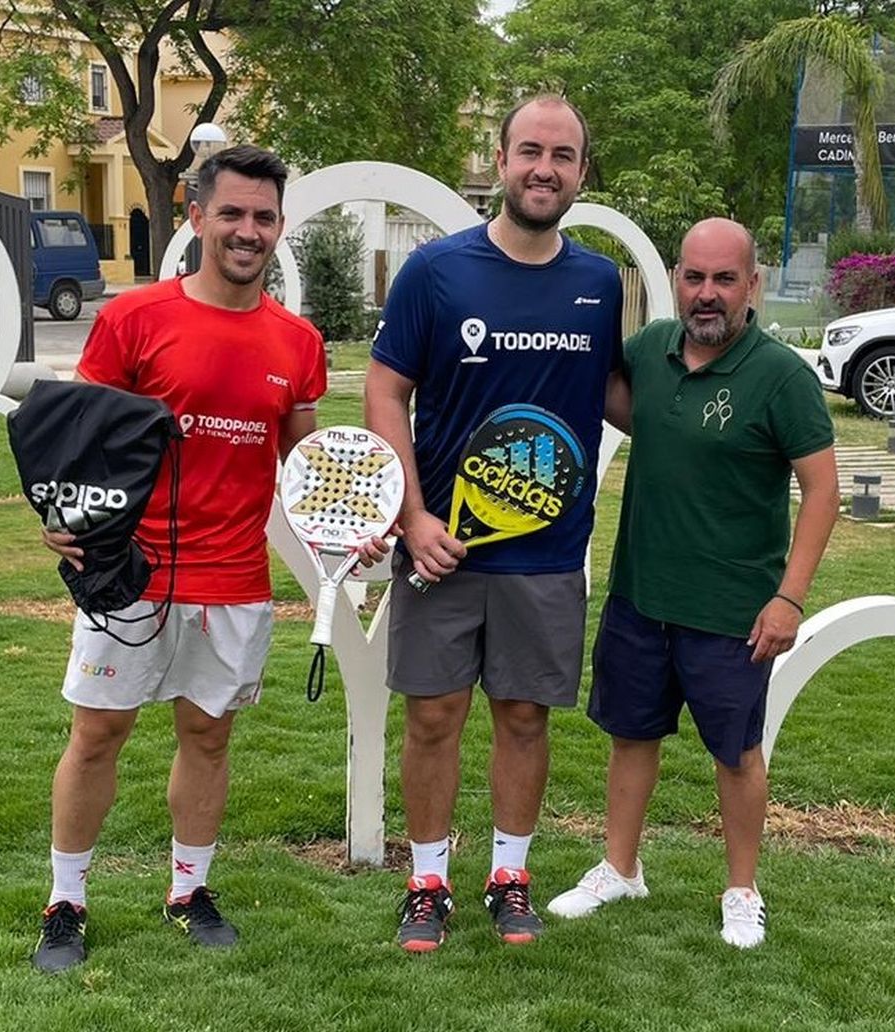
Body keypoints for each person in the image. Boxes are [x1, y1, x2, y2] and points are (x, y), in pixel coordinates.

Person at [31, 145, 327, 973]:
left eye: (264, 217)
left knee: (208, 736)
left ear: (279, 229)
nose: (248, 230)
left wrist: (349, 525)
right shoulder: (135, 319)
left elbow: (305, 472)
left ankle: (188, 890)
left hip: (234, 580)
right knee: (98, 735)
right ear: (196, 216)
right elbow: (80, 435)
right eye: (231, 213)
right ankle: (66, 903)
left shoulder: (298, 343)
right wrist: (63, 515)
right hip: (132, 575)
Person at [365, 94, 623, 952]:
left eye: (563, 155)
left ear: (582, 172)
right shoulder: (437, 272)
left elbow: (620, 396)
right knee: (432, 717)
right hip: (442, 549)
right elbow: (385, 390)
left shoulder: (595, 282)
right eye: (529, 151)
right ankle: (427, 882)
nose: (544, 168)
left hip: (548, 557)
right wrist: (411, 516)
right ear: (503, 159)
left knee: (523, 718)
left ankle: (510, 877)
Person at [546, 218, 840, 949]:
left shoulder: (782, 378)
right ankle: (620, 867)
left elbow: (824, 492)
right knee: (630, 735)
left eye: (724, 279)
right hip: (642, 593)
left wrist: (789, 596)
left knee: (736, 752)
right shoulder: (650, 351)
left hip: (734, 610)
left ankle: (741, 889)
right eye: (694, 277)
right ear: (676, 279)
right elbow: (611, 400)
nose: (707, 295)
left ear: (753, 286)